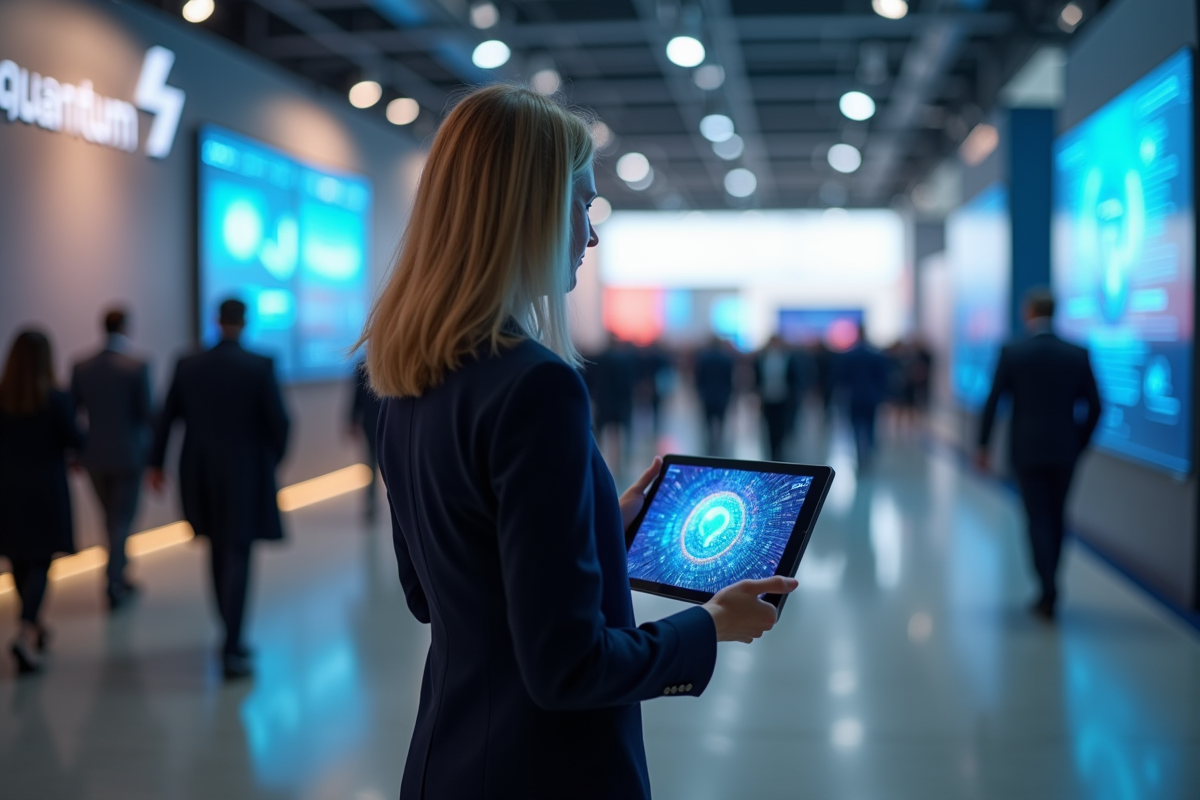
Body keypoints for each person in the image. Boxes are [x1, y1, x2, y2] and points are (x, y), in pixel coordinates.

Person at [355, 85, 797, 800]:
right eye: (582, 204)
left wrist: (596, 530)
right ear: (522, 211)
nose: (591, 235)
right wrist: (711, 626)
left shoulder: (409, 379)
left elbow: (435, 592)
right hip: (544, 772)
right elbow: (568, 669)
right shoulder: (535, 387)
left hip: (450, 756)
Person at [148, 299, 290, 678]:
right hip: (246, 474)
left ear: (216, 320)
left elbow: (165, 419)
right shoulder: (260, 365)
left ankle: (227, 634)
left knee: (215, 549)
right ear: (245, 322)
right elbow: (279, 423)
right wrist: (270, 463)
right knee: (238, 552)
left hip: (199, 472)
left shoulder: (187, 363)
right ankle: (233, 644)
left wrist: (155, 465)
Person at [976, 289, 1101, 621]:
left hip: (1027, 449)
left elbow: (992, 401)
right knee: (1058, 516)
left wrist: (983, 446)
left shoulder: (1014, 352)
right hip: (1065, 449)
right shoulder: (1076, 353)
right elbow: (1097, 405)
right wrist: (1080, 441)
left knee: (1037, 519)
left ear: (1028, 312)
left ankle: (1047, 589)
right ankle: (1052, 583)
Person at [0, 329, 83, 674]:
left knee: (19, 559)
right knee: (40, 562)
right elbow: (76, 439)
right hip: (46, 488)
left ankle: (32, 623)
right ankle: (25, 629)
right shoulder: (56, 399)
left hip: (7, 489)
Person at [70, 308, 152, 609]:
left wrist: (76, 450)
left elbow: (72, 413)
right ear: (126, 328)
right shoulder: (136, 366)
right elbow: (146, 415)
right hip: (128, 455)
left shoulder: (82, 366)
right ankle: (114, 581)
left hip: (94, 455)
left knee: (111, 519)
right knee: (121, 521)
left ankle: (119, 574)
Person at [836, 324, 890, 471]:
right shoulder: (875, 355)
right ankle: (869, 452)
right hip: (871, 396)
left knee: (856, 426)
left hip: (854, 396)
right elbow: (883, 377)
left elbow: (842, 378)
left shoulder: (849, 355)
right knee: (870, 425)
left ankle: (860, 454)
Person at [754, 335, 802, 462]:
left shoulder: (788, 358)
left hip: (783, 399)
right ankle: (772, 451)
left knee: (781, 427)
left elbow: (794, 378)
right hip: (768, 399)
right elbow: (758, 378)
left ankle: (780, 451)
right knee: (769, 427)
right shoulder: (763, 358)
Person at [348, 358, 383, 522]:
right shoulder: (363, 365)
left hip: (376, 420)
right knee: (371, 465)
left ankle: (373, 504)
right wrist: (352, 421)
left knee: (372, 465)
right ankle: (371, 504)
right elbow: (355, 396)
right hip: (372, 422)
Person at [693, 335, 735, 455]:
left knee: (707, 421)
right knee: (721, 421)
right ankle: (719, 442)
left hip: (707, 395)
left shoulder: (704, 358)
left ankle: (709, 443)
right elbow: (729, 379)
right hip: (722, 396)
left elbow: (699, 379)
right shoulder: (726, 359)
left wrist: (700, 392)